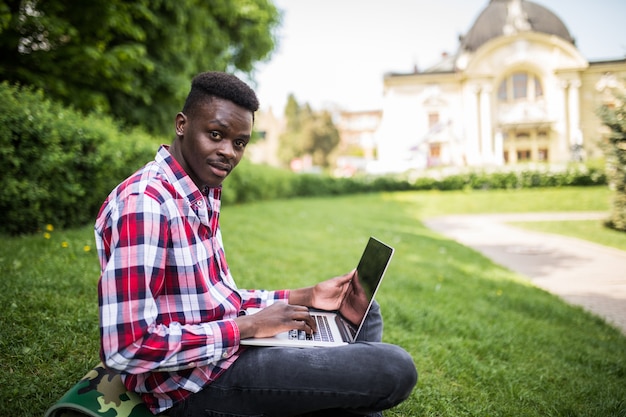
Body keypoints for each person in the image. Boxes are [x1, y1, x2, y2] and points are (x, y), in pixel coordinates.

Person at [95, 71, 417, 417]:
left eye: (239, 143)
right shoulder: (146, 204)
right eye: (216, 135)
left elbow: (218, 299)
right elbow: (127, 347)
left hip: (226, 350)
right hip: (192, 387)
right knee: (395, 367)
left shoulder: (198, 192)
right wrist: (248, 328)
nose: (228, 152)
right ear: (182, 125)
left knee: (360, 307)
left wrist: (305, 296)